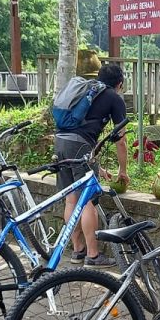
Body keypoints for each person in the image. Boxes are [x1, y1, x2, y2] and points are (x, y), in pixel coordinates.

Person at [55, 63, 129, 267]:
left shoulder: (88, 91)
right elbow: (120, 140)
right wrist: (123, 170)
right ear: (119, 83)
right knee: (87, 201)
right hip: (79, 146)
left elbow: (86, 130)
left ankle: (77, 251)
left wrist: (97, 165)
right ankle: (93, 256)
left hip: (60, 142)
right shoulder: (114, 98)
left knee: (71, 200)